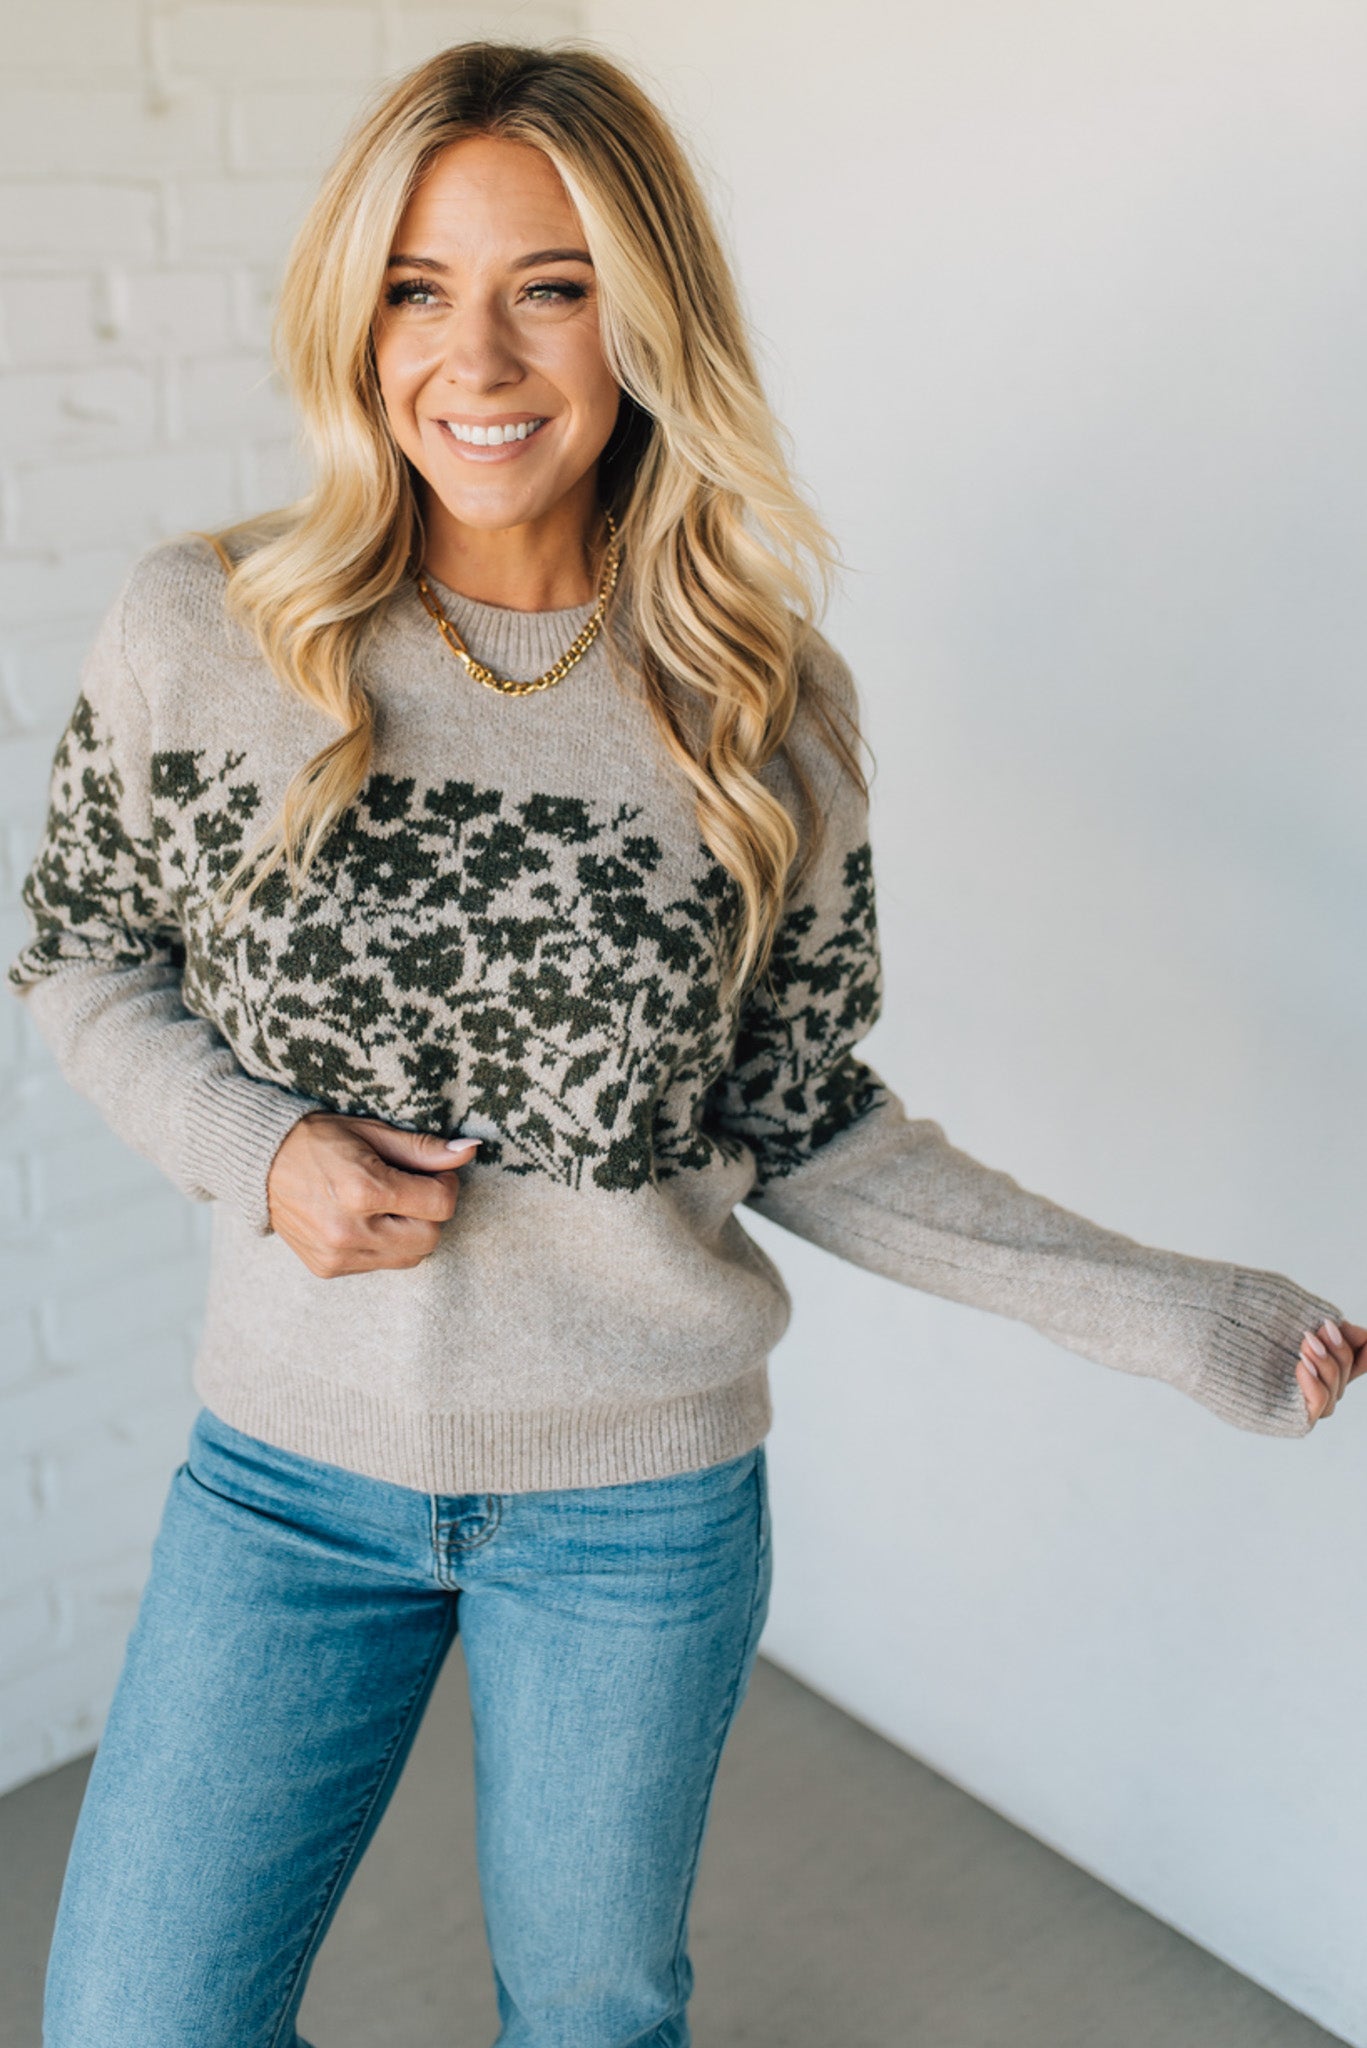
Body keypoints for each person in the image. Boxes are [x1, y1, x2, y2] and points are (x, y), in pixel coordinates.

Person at [6, 39, 1361, 2048]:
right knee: (140, 2017)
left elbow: (811, 1125)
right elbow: (77, 951)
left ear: (642, 312)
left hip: (629, 1506)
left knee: (593, 2013)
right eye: (416, 283)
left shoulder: (757, 709)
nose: (477, 353)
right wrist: (256, 1144)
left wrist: (1169, 1311)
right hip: (285, 1475)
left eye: (548, 283)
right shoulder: (208, 629)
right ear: (350, 309)